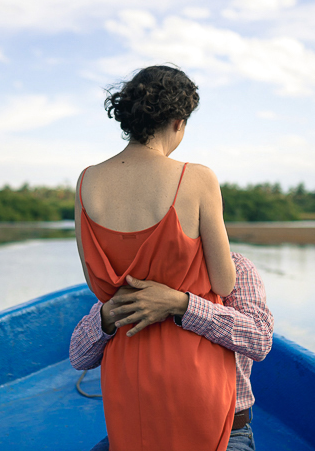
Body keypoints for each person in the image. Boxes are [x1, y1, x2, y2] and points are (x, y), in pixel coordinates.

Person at [73, 65, 241, 451]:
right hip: (192, 363)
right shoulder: (197, 178)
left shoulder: (86, 181)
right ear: (178, 122)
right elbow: (224, 282)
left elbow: (97, 285)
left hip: (126, 362)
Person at [70, 250, 274, 451]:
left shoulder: (235, 267)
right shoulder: (132, 277)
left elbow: (260, 339)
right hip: (139, 428)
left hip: (226, 432)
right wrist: (110, 311)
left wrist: (181, 305)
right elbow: (79, 358)